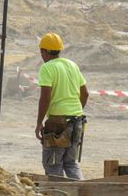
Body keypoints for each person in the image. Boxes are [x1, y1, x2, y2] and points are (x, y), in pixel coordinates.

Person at [34, 32, 89, 179]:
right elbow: (85, 94)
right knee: (70, 163)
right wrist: (75, 111)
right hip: (77, 120)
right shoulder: (72, 65)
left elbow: (45, 98)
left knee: (52, 164)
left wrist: (39, 123)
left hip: (58, 124)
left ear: (44, 51)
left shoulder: (47, 68)